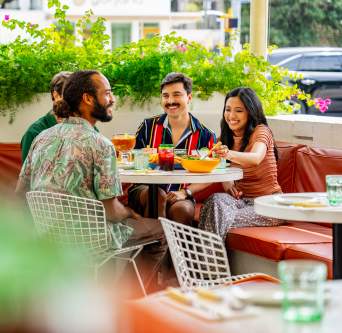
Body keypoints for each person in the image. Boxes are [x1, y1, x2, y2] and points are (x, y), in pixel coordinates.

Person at [16, 70, 167, 292]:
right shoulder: (101, 144)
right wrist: (129, 212)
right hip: (91, 240)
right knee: (161, 230)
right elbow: (111, 212)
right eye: (107, 93)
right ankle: (127, 299)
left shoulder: (41, 138)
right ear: (87, 98)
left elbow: (21, 193)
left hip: (49, 237)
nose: (112, 98)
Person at [128, 72, 216, 225]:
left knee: (183, 210)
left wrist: (185, 192)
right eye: (165, 96)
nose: (170, 101)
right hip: (144, 190)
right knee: (157, 196)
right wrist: (142, 155)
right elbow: (130, 157)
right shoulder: (148, 126)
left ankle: (171, 249)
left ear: (189, 97)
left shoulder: (206, 135)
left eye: (176, 95)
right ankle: (157, 249)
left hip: (180, 192)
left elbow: (210, 174)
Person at [199, 87, 284, 238]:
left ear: (250, 112)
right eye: (228, 109)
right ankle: (209, 260)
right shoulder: (224, 140)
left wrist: (228, 154)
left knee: (216, 216)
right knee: (214, 200)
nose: (231, 115)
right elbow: (216, 171)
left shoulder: (261, 131)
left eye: (238, 110)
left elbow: (255, 158)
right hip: (241, 202)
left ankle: (206, 261)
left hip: (270, 205)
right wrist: (184, 193)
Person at [20, 71, 72, 162]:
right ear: (55, 95)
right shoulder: (34, 133)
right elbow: (28, 173)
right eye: (70, 94)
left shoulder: (88, 128)